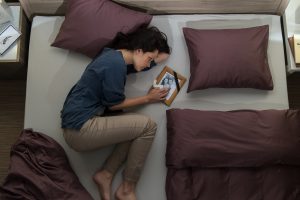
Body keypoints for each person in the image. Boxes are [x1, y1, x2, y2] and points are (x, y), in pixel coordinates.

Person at [61, 26, 171, 200]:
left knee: (134, 129)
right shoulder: (115, 65)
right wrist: (148, 98)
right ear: (139, 50)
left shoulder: (114, 57)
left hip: (78, 126)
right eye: (149, 59)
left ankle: (105, 174)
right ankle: (127, 189)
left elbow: (142, 63)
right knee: (148, 127)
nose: (148, 64)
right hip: (80, 127)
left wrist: (157, 57)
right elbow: (114, 105)